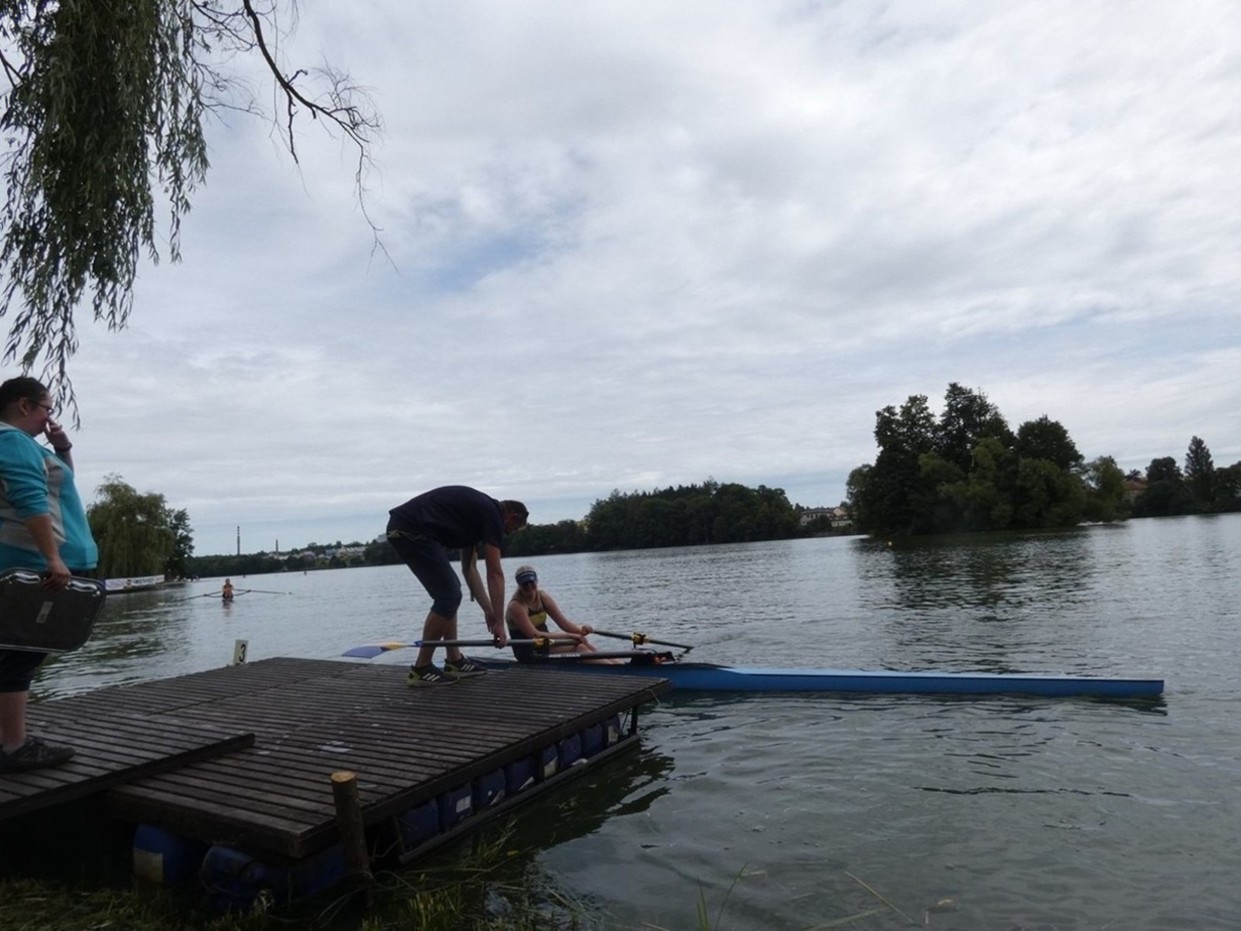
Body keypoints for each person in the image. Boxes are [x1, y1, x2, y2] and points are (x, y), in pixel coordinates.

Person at [0, 377, 99, 773]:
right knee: (18, 655)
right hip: (38, 566)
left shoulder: (25, 445)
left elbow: (59, 489)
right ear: (24, 405)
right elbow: (31, 500)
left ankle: (9, 741)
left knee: (15, 653)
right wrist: (53, 559)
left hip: (35, 562)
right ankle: (14, 746)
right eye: (47, 409)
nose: (49, 418)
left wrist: (62, 449)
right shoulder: (12, 441)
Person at [387, 486, 528, 686]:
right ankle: (421, 669)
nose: (508, 534)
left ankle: (454, 661)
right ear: (511, 517)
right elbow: (495, 573)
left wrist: (489, 611)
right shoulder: (493, 515)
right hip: (410, 530)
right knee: (448, 595)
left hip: (406, 527)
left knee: (450, 594)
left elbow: (469, 570)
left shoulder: (475, 517)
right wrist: (499, 622)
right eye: (513, 529)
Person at [505, 565, 619, 664]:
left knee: (581, 643)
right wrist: (570, 635)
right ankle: (613, 670)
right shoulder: (516, 606)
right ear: (519, 585)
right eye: (525, 584)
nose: (529, 587)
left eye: (531, 583)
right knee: (579, 648)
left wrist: (581, 630)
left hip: (544, 644)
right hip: (528, 649)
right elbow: (535, 635)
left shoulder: (543, 597)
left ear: (536, 581)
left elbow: (565, 624)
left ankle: (618, 665)